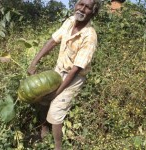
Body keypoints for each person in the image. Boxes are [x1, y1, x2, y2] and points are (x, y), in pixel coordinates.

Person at [27, 0, 100, 149]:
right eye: (80, 4)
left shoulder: (90, 36)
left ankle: (57, 146)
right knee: (44, 99)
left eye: (87, 7)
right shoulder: (70, 21)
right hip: (58, 70)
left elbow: (75, 69)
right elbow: (53, 41)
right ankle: (44, 127)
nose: (82, 9)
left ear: (93, 12)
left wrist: (57, 93)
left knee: (56, 110)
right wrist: (34, 62)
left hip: (74, 77)